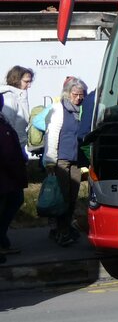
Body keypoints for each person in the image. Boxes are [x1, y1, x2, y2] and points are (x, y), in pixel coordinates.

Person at [43, 79, 88, 246]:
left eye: (81, 95)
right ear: (68, 94)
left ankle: (65, 228)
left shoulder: (83, 110)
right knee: (61, 197)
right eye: (75, 95)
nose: (77, 98)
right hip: (61, 160)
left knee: (72, 197)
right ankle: (60, 231)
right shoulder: (59, 109)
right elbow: (52, 135)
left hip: (76, 160)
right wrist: (50, 161)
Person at [0, 115, 27, 262]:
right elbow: (7, 154)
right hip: (7, 175)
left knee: (15, 201)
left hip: (9, 176)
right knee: (11, 203)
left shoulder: (4, 122)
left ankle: (3, 241)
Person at [1, 66, 33, 145]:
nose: (29, 86)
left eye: (30, 82)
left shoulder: (20, 96)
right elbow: (7, 128)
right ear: (15, 80)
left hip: (18, 145)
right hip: (11, 146)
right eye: (26, 82)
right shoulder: (9, 98)